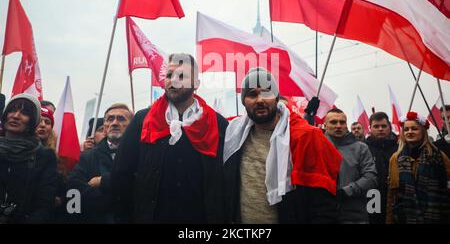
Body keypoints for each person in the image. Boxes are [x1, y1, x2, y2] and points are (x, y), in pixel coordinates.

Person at [111, 53, 229, 223]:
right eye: (169, 75)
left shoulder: (218, 124)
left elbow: (227, 180)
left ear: (196, 83)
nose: (173, 80)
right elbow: (121, 173)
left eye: (181, 76)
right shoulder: (143, 120)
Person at [224, 68, 342, 224]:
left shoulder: (306, 137)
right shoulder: (233, 135)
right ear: (244, 101)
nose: (260, 100)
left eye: (266, 92)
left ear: (276, 98)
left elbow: (324, 206)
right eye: (252, 94)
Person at [66, 104, 133, 223]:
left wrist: (104, 182)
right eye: (110, 119)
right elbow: (73, 192)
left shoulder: (141, 155)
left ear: (132, 125)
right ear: (105, 126)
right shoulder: (86, 157)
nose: (114, 123)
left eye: (121, 118)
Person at [0, 94, 58, 223]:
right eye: (12, 110)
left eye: (24, 113)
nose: (15, 116)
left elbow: (44, 206)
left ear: (33, 121)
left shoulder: (44, 156)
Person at [386, 111, 450, 224]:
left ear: (423, 131)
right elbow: (392, 194)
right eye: (406, 129)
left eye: (414, 129)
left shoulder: (439, 156)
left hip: (435, 216)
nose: (410, 132)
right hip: (404, 217)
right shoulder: (395, 159)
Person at [324, 108, 377, 224]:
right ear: (325, 125)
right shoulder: (316, 146)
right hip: (323, 213)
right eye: (333, 122)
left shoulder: (361, 148)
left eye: (342, 122)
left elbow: (370, 177)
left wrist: (346, 192)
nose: (338, 126)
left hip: (354, 215)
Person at [365, 112, 398, 224]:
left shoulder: (399, 147)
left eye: (383, 126)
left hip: (395, 195)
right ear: (370, 128)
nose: (380, 129)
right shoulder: (364, 148)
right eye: (376, 126)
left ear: (389, 127)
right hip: (372, 195)